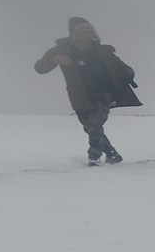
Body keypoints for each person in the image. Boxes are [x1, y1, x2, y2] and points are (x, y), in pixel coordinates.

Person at [35, 17, 142, 166]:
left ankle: (94, 157)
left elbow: (123, 66)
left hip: (104, 91)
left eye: (89, 31)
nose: (87, 35)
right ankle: (112, 154)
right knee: (90, 127)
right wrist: (54, 60)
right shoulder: (62, 51)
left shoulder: (102, 50)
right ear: (74, 33)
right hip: (79, 95)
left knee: (96, 122)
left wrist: (128, 73)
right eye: (82, 31)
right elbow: (40, 68)